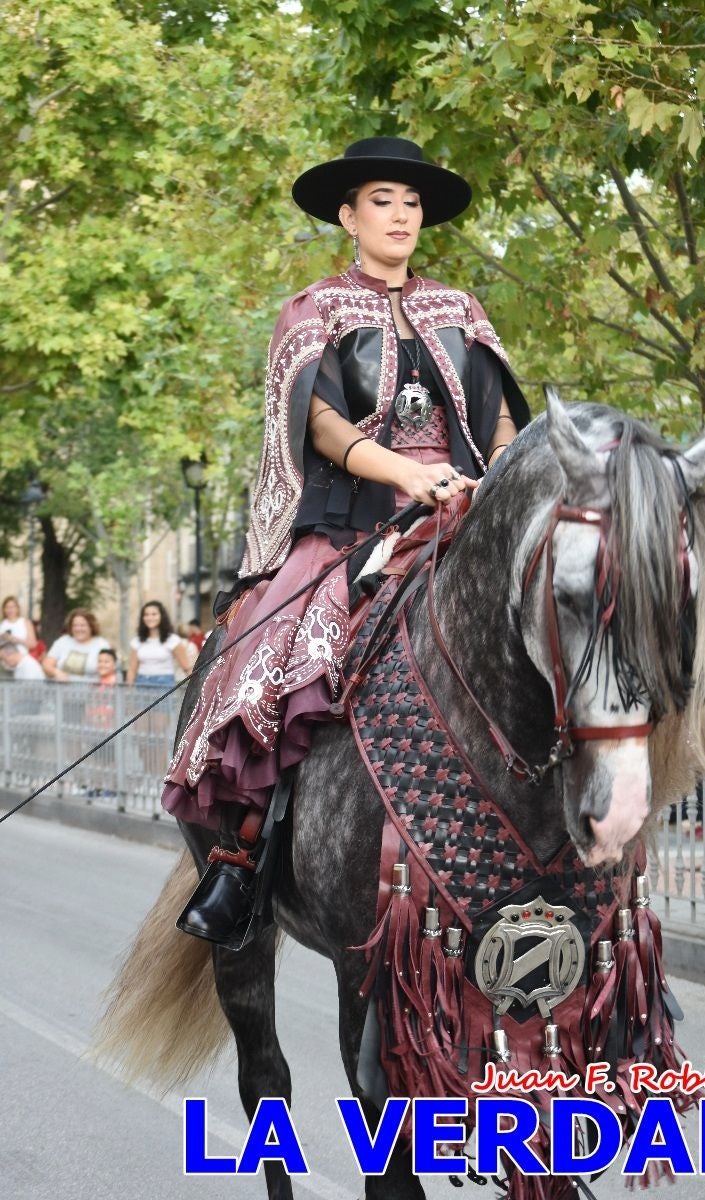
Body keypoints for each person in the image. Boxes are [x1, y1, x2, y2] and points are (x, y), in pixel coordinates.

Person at [165, 137, 529, 946]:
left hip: (469, 508)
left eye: (411, 204)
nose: (401, 216)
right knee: (274, 649)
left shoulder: (463, 309)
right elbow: (321, 426)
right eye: (382, 201)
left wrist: (498, 474)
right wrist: (410, 474)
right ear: (348, 215)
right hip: (355, 518)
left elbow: (500, 416)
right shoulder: (316, 307)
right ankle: (242, 854)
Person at [127, 601, 191, 687]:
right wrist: (128, 691)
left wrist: (198, 689)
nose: (150, 617)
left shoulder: (173, 640)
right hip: (142, 683)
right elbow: (132, 669)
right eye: (146, 615)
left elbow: (187, 668)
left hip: (164, 684)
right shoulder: (137, 641)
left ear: (162, 616)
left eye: (154, 614)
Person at [41, 609, 110, 683]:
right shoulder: (62, 641)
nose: (78, 629)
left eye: (83, 625)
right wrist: (56, 672)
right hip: (61, 690)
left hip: (92, 690)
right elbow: (47, 665)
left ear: (91, 626)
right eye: (75, 625)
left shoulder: (102, 645)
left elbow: (109, 669)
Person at [0, 596, 40, 678]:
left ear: (18, 608)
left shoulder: (25, 622)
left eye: (13, 607)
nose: (10, 610)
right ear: (3, 609)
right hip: (4, 665)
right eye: (7, 607)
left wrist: (16, 640)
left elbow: (33, 644)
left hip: (23, 662)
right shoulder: (2, 625)